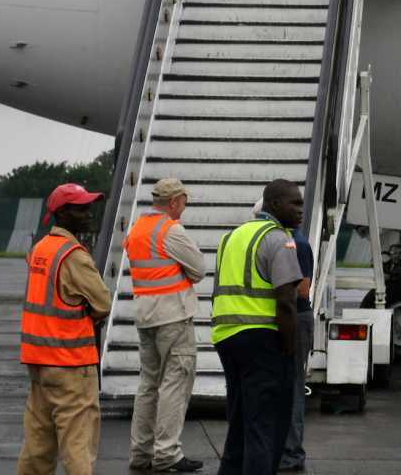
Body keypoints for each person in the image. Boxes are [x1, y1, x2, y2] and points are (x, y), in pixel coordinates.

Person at [17, 183, 111, 475]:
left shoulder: (40, 249)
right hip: (71, 364)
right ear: (62, 214)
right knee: (77, 446)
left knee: (37, 447)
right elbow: (103, 303)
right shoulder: (74, 256)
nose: (88, 213)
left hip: (39, 362)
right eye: (80, 209)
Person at [211, 180, 304, 475]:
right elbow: (287, 301)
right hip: (263, 340)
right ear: (274, 205)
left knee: (239, 423)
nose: (301, 210)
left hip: (227, 337)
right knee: (265, 427)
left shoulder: (232, 236)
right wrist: (290, 349)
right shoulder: (280, 239)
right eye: (295, 203)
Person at [125, 178, 206, 473]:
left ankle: (141, 452)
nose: (185, 206)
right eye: (184, 201)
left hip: (145, 316)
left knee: (148, 384)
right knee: (176, 382)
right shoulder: (171, 230)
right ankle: (167, 453)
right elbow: (199, 268)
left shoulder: (137, 229)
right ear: (173, 202)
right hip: (173, 316)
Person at [278, 222, 315, 472]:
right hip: (288, 317)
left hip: (296, 319)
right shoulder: (285, 243)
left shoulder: (298, 245)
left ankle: (292, 453)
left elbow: (302, 289)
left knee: (293, 386)